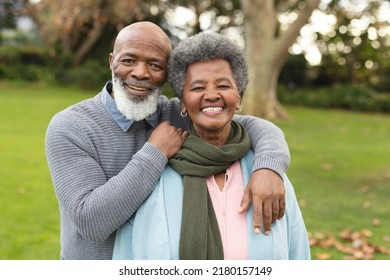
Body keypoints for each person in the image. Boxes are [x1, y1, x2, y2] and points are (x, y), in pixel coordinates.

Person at [45, 21, 291, 260]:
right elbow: (91, 222)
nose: (140, 73)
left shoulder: (176, 113)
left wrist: (269, 166)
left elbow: (247, 124)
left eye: (155, 65)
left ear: (168, 74)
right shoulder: (71, 127)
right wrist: (155, 151)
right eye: (128, 60)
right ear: (112, 61)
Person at [113, 31, 310, 260]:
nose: (212, 95)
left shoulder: (268, 174)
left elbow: (299, 255)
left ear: (239, 97)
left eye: (223, 86)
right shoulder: (155, 176)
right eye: (197, 88)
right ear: (183, 103)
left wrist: (269, 168)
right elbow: (125, 258)